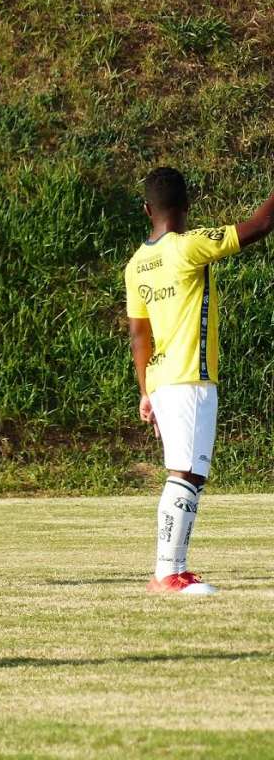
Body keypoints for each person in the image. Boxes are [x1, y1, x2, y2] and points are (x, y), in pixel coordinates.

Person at [125, 167, 274, 595]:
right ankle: (167, 573)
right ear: (187, 207)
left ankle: (172, 569)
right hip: (190, 377)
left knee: (188, 473)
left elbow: (139, 332)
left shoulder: (137, 264)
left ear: (146, 209)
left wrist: (145, 391)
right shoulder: (188, 247)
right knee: (186, 474)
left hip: (161, 379)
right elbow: (260, 225)